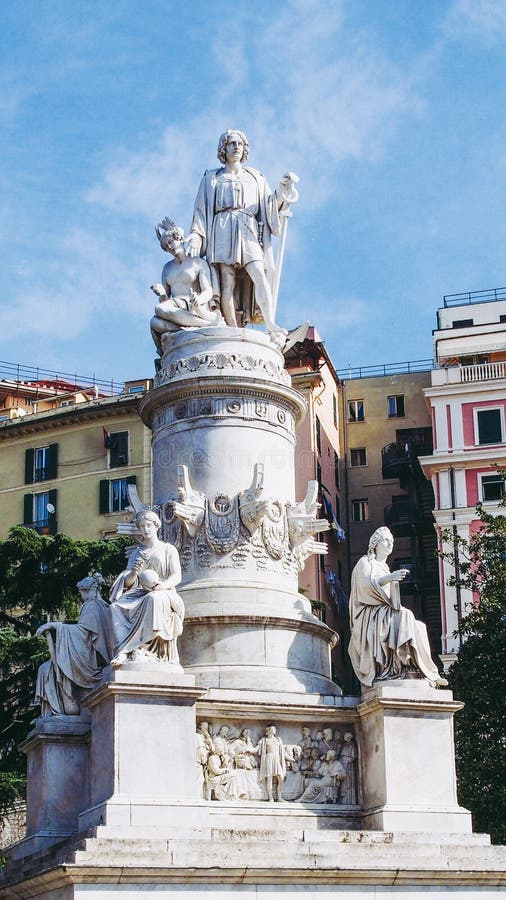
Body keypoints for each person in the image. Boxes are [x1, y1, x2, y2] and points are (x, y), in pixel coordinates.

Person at [186, 129, 297, 336]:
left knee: (259, 274)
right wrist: (196, 235)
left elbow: (270, 206)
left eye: (240, 144)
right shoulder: (212, 178)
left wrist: (283, 191)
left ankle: (270, 323)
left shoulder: (256, 177)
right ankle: (232, 330)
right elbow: (200, 211)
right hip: (222, 228)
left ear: (245, 149)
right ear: (223, 148)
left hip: (247, 228)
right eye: (232, 143)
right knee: (226, 281)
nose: (236, 147)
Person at [348, 527, 447, 688]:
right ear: (375, 543)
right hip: (369, 612)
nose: (390, 544)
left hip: (385, 611)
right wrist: (390, 578)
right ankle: (399, 665)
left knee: (419, 626)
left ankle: (422, 671)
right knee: (406, 615)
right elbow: (365, 588)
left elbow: (390, 598)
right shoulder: (365, 562)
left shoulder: (385, 567)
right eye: (386, 540)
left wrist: (392, 585)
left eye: (392, 541)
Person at [109, 510, 185, 666]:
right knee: (115, 607)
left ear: (156, 526)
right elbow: (129, 583)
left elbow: (177, 576)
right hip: (139, 591)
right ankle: (124, 650)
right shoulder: (136, 553)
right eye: (142, 526)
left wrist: (162, 586)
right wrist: (134, 572)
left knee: (153, 599)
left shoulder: (168, 549)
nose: (145, 529)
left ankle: (136, 649)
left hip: (164, 590)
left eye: (148, 525)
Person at [35, 573, 113, 716]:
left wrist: (56, 626)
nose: (81, 596)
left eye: (81, 592)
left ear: (88, 590)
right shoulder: (102, 605)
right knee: (46, 669)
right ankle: (55, 711)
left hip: (91, 657)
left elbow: (83, 632)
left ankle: (60, 710)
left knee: (46, 670)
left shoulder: (91, 605)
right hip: (89, 652)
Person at [150, 217, 223, 354]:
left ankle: (204, 323)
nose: (169, 248)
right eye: (165, 246)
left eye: (170, 242)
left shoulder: (198, 263)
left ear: (179, 238)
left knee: (159, 309)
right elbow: (166, 300)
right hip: (175, 307)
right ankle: (202, 325)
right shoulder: (167, 268)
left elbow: (208, 291)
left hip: (192, 305)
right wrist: (162, 294)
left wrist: (198, 300)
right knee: (154, 323)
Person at [255, 724, 286, 802]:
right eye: (274, 729)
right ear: (270, 731)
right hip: (269, 759)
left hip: (277, 759)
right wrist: (248, 750)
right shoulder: (264, 740)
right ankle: (271, 798)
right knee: (269, 779)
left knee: (281, 778)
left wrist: (290, 758)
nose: (275, 730)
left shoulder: (278, 739)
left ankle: (279, 797)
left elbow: (282, 752)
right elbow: (256, 749)